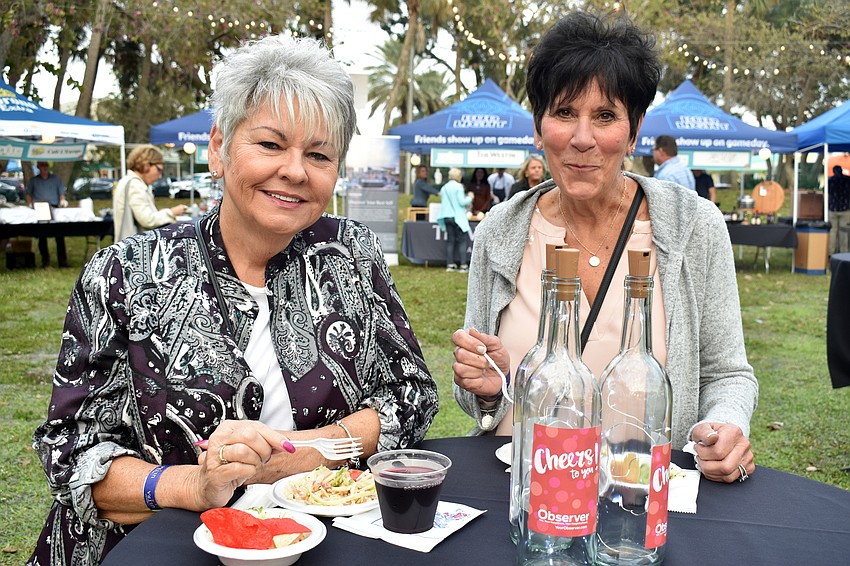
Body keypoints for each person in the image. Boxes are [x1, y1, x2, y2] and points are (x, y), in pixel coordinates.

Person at [28, 33, 438, 566]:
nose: (295, 170)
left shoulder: (351, 253)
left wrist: (310, 453)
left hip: (318, 545)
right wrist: (190, 487)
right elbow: (71, 454)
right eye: (270, 144)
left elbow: (409, 398)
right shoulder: (124, 274)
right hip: (155, 550)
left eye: (318, 154)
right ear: (219, 147)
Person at [451, 11, 757, 484]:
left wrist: (724, 426)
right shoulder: (500, 231)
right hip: (523, 493)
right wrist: (491, 390)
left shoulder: (693, 226)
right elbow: (479, 392)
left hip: (637, 500)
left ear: (633, 132)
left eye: (606, 116)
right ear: (538, 127)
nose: (581, 139)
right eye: (564, 112)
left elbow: (728, 374)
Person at [113, 145, 188, 241]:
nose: (160, 175)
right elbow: (147, 220)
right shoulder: (135, 185)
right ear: (146, 165)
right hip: (134, 248)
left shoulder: (128, 181)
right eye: (159, 169)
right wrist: (171, 212)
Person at [25, 161, 68, 267]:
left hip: (54, 208)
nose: (45, 168)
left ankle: (62, 262)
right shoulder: (34, 181)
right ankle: (45, 261)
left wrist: (62, 201)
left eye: (46, 165)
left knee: (59, 235)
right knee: (42, 236)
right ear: (38, 167)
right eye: (42, 166)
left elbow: (61, 194)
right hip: (40, 209)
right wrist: (30, 204)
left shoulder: (56, 179)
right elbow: (28, 194)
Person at [437, 167, 473, 272]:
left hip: (446, 217)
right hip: (458, 217)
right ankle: (463, 265)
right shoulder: (459, 187)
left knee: (450, 241)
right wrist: (470, 197)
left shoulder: (444, 188)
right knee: (462, 241)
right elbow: (462, 202)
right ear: (458, 176)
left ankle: (450, 264)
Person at [828, 165, 850, 254]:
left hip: (833, 209)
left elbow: (826, 192)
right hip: (845, 209)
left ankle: (831, 252)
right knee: (843, 231)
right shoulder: (848, 180)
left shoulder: (830, 180)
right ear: (841, 171)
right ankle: (843, 252)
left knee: (833, 231)